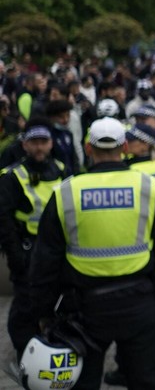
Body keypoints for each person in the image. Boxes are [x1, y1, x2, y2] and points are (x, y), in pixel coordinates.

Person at [28, 117, 155, 389]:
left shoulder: (66, 193)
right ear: (124, 147)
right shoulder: (148, 188)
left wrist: (43, 311)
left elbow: (45, 262)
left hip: (83, 310)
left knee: (84, 382)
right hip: (140, 302)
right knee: (146, 381)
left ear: (88, 149)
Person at [103, 123, 155, 386]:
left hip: (140, 248)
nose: (128, 143)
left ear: (144, 144)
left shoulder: (132, 173)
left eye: (133, 140)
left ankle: (130, 369)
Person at [0, 118, 69, 359]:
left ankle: (55, 347)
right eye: (34, 142)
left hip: (58, 251)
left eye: (43, 142)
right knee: (25, 308)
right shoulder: (12, 177)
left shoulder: (61, 170)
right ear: (25, 145)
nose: (39, 147)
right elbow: (4, 220)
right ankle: (26, 355)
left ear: (51, 144)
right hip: (28, 251)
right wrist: (16, 255)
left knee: (58, 302)